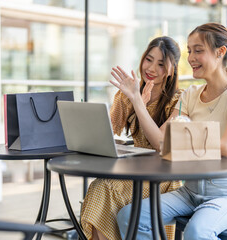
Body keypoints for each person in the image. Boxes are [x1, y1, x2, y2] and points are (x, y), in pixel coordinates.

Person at [115, 22, 227, 240]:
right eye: (189, 50)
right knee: (130, 216)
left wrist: (184, 134)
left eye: (198, 50)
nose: (190, 57)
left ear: (220, 53)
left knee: (197, 231)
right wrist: (136, 100)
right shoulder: (190, 94)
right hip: (190, 191)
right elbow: (161, 143)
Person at [81, 36, 184, 240]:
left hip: (162, 179)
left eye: (161, 64)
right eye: (149, 59)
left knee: (104, 188)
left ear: (171, 70)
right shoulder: (128, 93)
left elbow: (160, 144)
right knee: (99, 187)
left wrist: (138, 102)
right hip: (135, 173)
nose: (151, 68)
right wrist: (128, 98)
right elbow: (106, 132)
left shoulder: (179, 99)